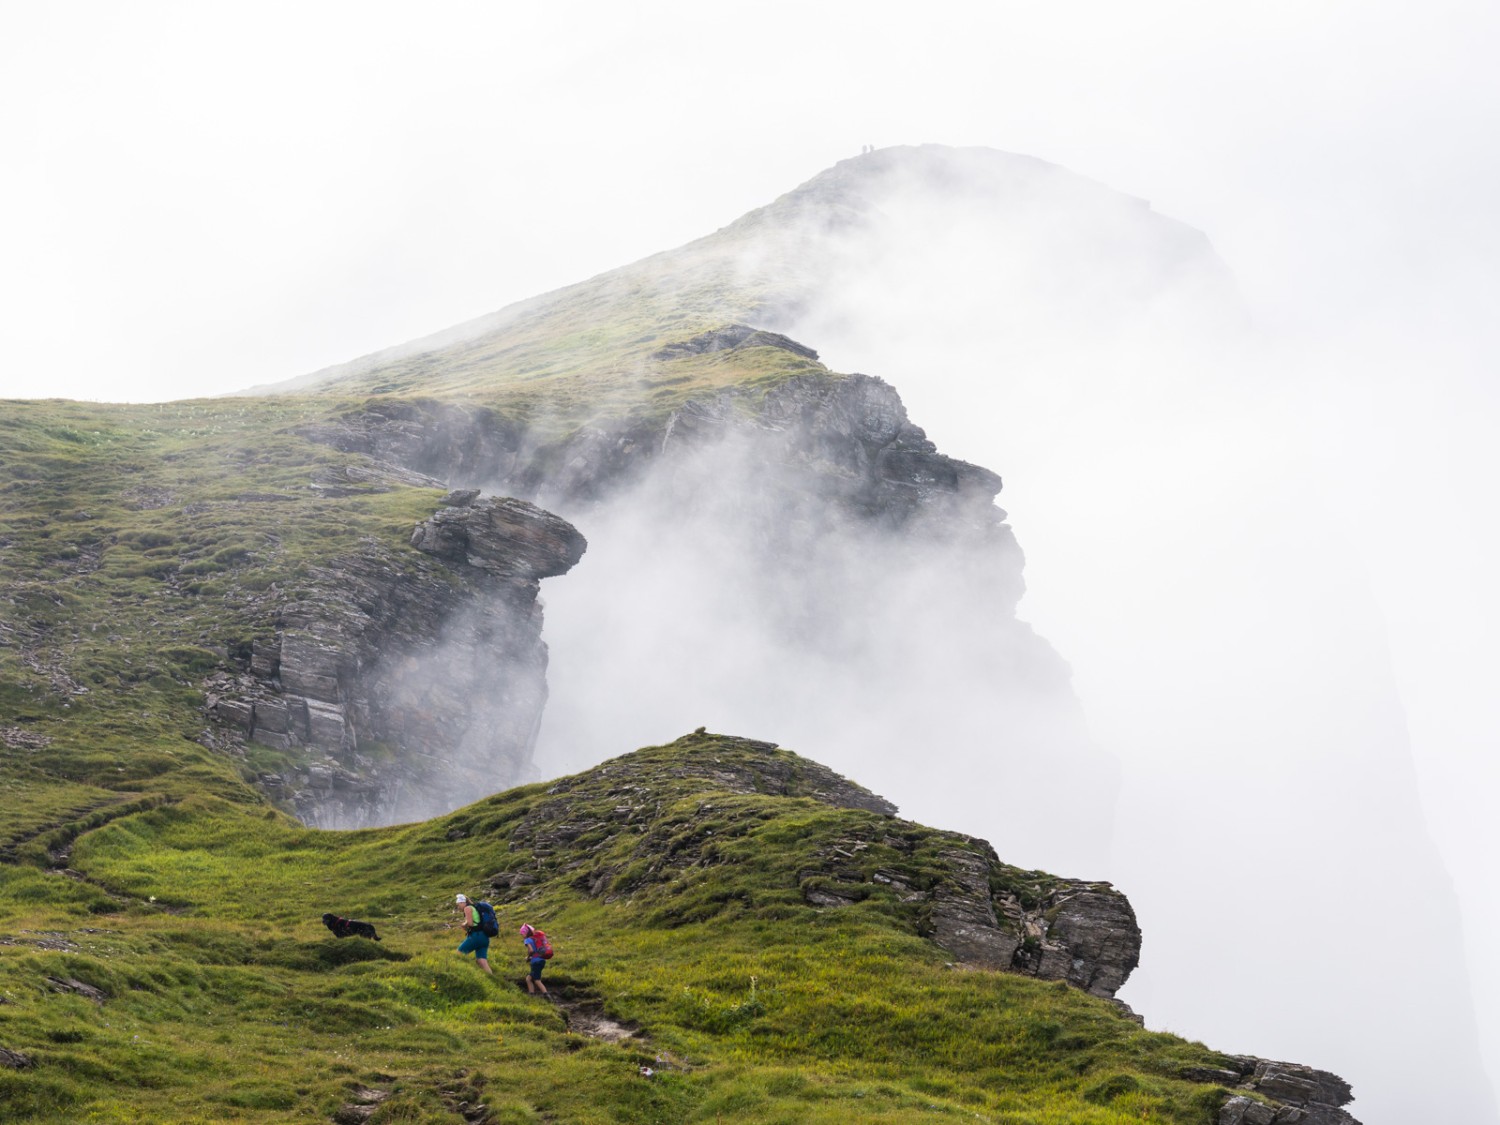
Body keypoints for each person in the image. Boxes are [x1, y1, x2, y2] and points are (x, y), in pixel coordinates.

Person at [455, 893, 491, 974]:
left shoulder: (467, 908)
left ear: (462, 902)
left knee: (458, 954)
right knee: (482, 961)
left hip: (476, 936)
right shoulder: (474, 907)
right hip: (485, 937)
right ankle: (493, 979)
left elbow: (470, 923)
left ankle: (460, 973)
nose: (458, 907)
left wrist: (463, 925)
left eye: (458, 905)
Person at [520, 923, 548, 995]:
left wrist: (528, 958)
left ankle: (547, 996)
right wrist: (530, 958)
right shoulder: (535, 939)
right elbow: (536, 952)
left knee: (537, 980)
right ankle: (531, 994)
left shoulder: (527, 940)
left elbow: (531, 951)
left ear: (526, 933)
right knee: (528, 979)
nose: (522, 936)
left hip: (536, 962)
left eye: (522, 934)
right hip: (541, 960)